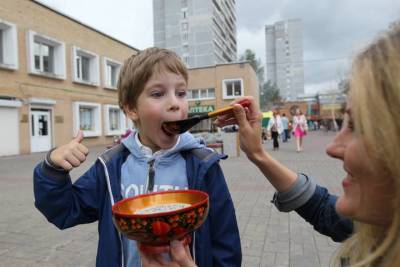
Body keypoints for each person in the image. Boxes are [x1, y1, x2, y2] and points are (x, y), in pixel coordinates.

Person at [33, 48, 241, 267]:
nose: (175, 103)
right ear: (132, 109)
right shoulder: (111, 165)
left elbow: (225, 244)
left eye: (181, 93)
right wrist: (52, 168)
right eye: (158, 94)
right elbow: (65, 211)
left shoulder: (203, 165)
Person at [215, 24, 400, 267]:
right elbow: (324, 209)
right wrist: (258, 154)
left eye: (357, 126)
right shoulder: (379, 229)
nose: (332, 148)